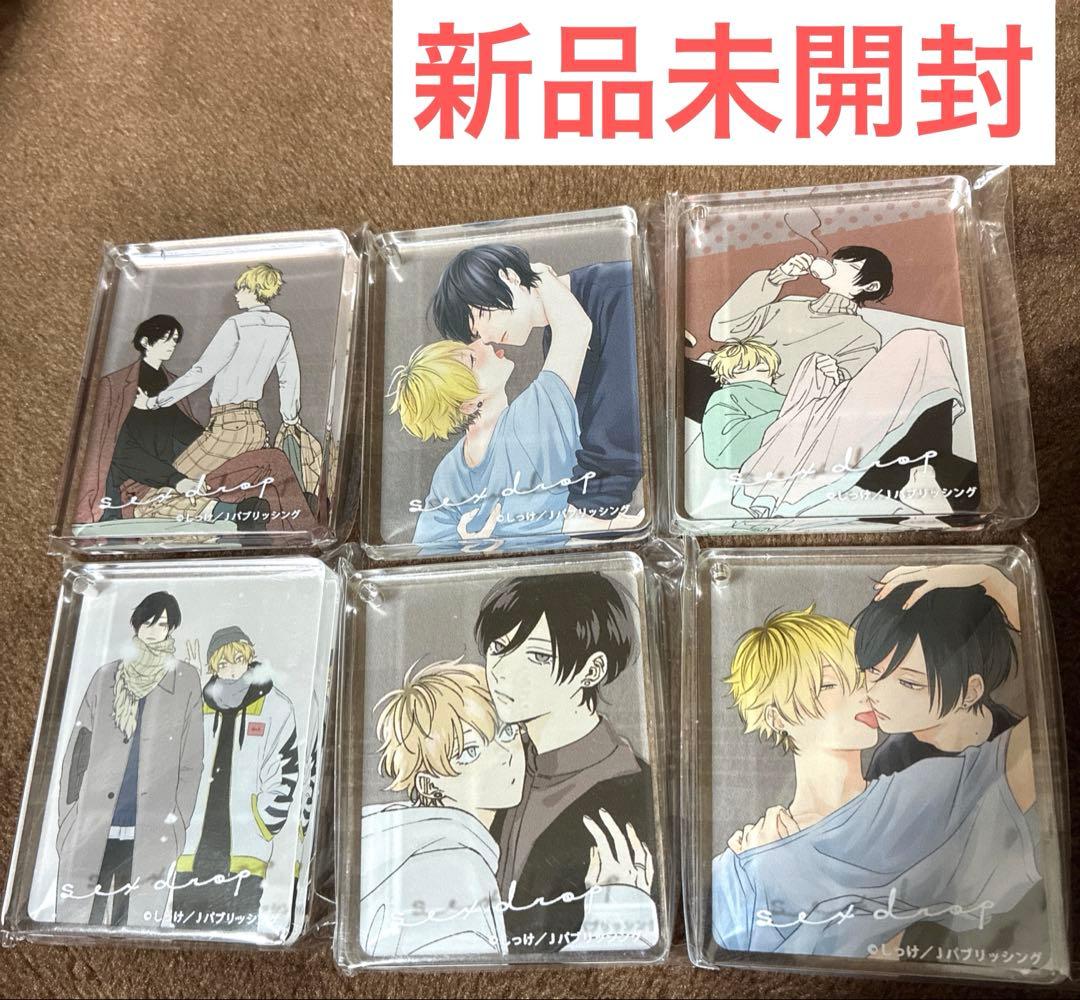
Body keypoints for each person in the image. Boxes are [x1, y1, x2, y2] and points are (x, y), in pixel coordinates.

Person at [711, 605, 1039, 958]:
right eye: (829, 684)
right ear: (777, 717)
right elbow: (734, 959)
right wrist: (768, 866)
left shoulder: (918, 793)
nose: (862, 693)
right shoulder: (744, 861)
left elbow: (1033, 748)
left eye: (862, 676)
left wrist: (1001, 591)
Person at [358, 659, 656, 957]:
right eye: (470, 751)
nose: (503, 755)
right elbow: (463, 980)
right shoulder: (449, 863)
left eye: (506, 733)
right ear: (428, 784)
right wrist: (618, 922)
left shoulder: (424, 840)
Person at [477, 573, 658, 954]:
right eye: (499, 647)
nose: (503, 670)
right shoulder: (500, 768)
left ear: (592, 671)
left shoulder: (631, 794)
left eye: (538, 656)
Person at [431, 244, 643, 530]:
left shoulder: (617, 291)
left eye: (481, 315)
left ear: (509, 277)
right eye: (476, 334)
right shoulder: (553, 335)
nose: (488, 337)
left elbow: (619, 430)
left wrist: (588, 513)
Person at [390, 262, 592, 547]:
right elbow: (575, 327)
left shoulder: (449, 474)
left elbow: (425, 551)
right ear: (467, 404)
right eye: (471, 360)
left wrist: (475, 549)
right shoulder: (531, 419)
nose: (482, 342)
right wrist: (535, 274)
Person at [56, 592, 203, 927]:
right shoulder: (106, 677)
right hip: (95, 822)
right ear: (137, 624)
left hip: (151, 828)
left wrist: (178, 823)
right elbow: (78, 751)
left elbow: (191, 761)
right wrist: (69, 818)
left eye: (162, 624)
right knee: (81, 922)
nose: (154, 631)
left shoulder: (186, 680)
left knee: (133, 925)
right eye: (148, 622)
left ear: (171, 629)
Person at [171, 626, 299, 929]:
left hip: (246, 847)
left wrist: (264, 822)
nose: (230, 669)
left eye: (238, 660)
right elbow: (176, 762)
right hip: (192, 845)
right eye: (223, 663)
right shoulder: (196, 706)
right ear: (213, 666)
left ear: (249, 657)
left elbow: (285, 769)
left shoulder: (276, 707)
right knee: (185, 931)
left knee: (239, 928)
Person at [134, 263, 303, 488]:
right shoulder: (282, 326)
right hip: (255, 427)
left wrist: (155, 402)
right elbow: (289, 377)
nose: (236, 295)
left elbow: (202, 371)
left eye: (241, 289)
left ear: (253, 290)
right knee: (215, 490)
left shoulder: (236, 324)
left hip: (228, 426)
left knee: (172, 486)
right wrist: (290, 418)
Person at [856, 564, 1021, 780]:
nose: (875, 694)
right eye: (873, 669)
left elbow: (1035, 631)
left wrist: (989, 578)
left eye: (909, 683)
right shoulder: (890, 764)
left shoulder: (1016, 738)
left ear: (970, 692)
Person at [696, 337, 785, 471]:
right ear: (726, 377)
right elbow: (720, 450)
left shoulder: (784, 399)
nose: (756, 370)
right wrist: (782, 417)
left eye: (762, 368)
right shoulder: (725, 396)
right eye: (744, 368)